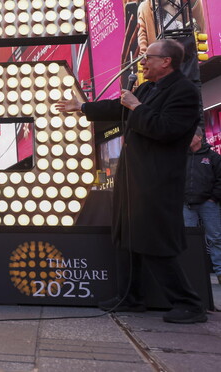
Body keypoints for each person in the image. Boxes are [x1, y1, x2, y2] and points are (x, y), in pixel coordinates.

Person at [56, 39, 207, 324]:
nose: (142, 62)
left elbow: (164, 129)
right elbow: (119, 108)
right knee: (125, 237)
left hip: (156, 180)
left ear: (166, 61)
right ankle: (131, 297)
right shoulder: (149, 87)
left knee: (154, 240)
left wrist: (136, 106)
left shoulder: (183, 92)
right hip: (132, 178)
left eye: (148, 57)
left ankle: (188, 303)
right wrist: (82, 106)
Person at [184, 128, 221, 285]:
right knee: (188, 238)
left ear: (199, 137)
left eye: (190, 135)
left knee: (215, 238)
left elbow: (220, 179)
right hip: (186, 204)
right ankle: (192, 271)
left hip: (208, 203)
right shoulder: (182, 157)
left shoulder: (213, 157)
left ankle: (220, 272)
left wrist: (213, 198)